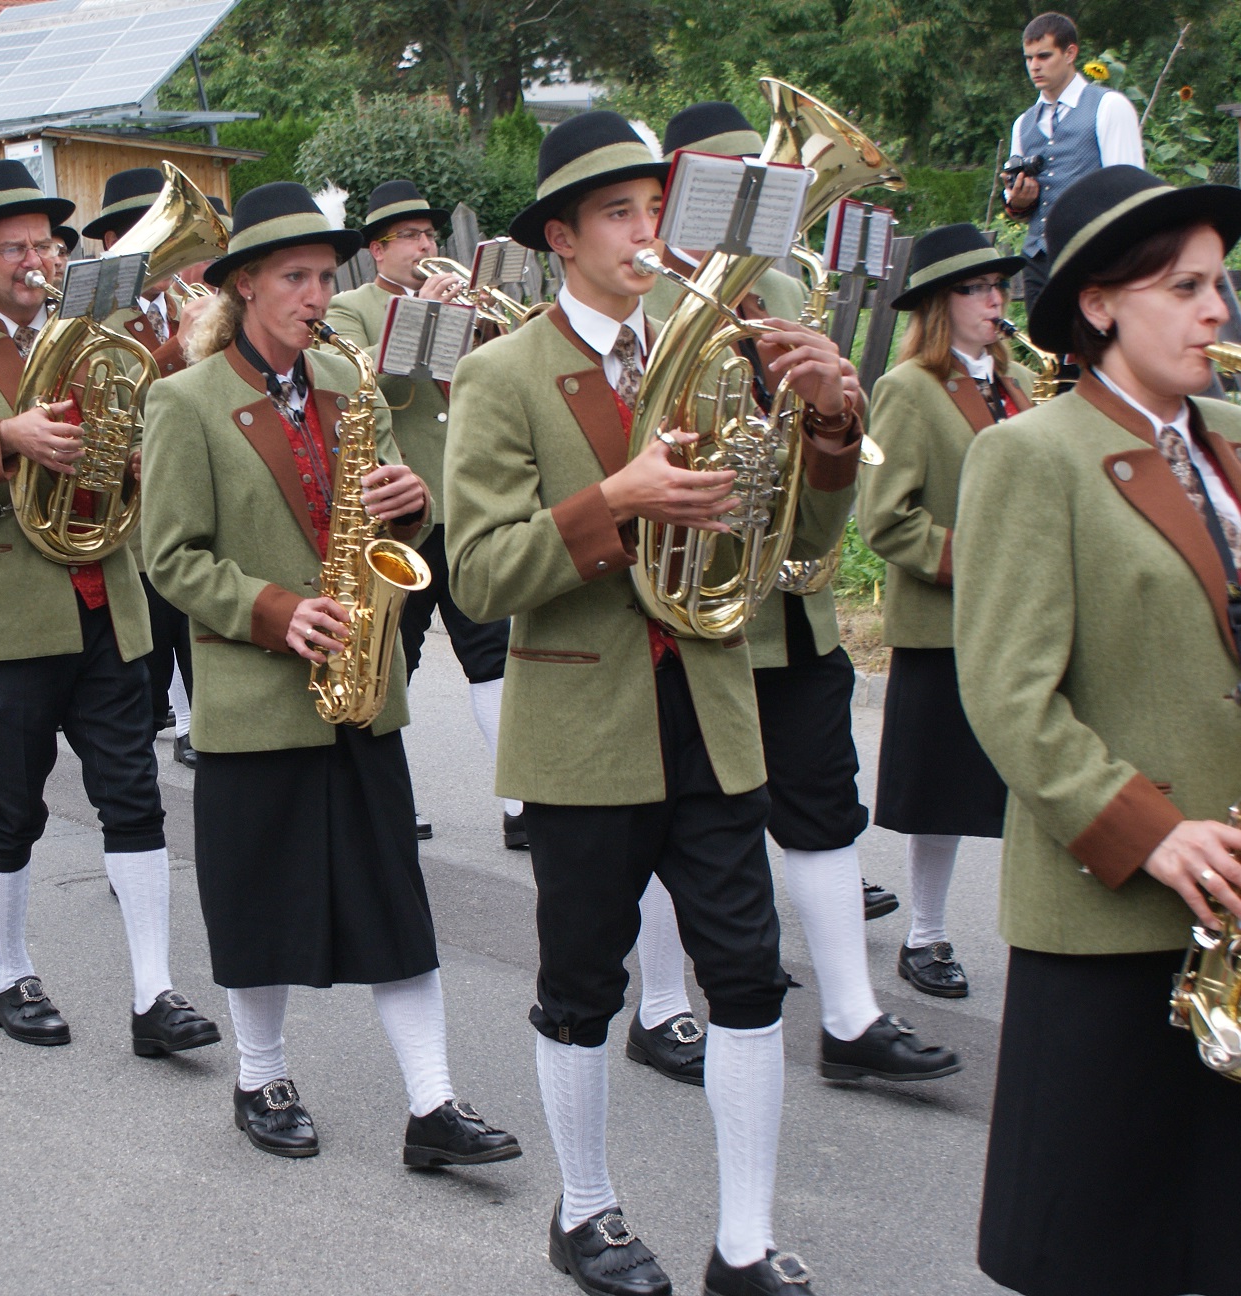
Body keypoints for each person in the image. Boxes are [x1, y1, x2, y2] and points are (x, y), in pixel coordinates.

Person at [446, 110, 859, 1295]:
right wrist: (614, 504)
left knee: (748, 977)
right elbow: (477, 574)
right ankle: (583, 1212)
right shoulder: (502, 373)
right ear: (562, 238)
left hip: (713, 710)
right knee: (583, 982)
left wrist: (831, 426)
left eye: (651, 211)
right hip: (582, 725)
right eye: (617, 214)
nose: (644, 234)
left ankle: (743, 1244)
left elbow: (796, 538)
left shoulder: (723, 348)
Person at [142, 180, 520, 1168]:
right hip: (256, 693)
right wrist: (273, 611)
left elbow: (398, 524)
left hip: (362, 687)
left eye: (323, 277)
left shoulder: (351, 383)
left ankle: (432, 1105)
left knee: (394, 895)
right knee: (256, 897)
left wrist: (411, 504)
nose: (317, 296)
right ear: (245, 286)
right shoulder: (183, 401)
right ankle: (258, 1077)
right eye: (295, 279)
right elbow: (170, 559)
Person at [626, 102, 957, 1091]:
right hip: (686, 600)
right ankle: (660, 1006)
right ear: (679, 192)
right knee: (666, 814)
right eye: (733, 186)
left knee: (822, 806)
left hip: (791, 600)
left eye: (769, 187)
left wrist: (832, 414)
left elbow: (820, 470)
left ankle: (851, 1021)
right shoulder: (639, 293)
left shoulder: (781, 288)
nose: (757, 206)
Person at [957, 164, 1241, 1296]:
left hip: (1232, 907)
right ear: (1099, 303)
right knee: (1103, 1245)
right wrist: (1151, 832)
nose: (1216, 310)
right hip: (1114, 912)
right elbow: (1009, 695)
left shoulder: (1233, 437)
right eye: (1185, 288)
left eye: (1219, 284)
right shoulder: (1031, 453)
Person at [0, 159, 218, 1055]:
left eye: (46, 244)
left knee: (134, 800)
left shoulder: (99, 335)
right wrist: (6, 437)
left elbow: (146, 437)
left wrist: (141, 456)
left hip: (107, 600)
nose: (37, 261)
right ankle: (10, 976)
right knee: (11, 811)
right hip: (2, 617)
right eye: (15, 248)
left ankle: (154, 993)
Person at [858, 223, 1035, 1000]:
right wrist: (985, 560)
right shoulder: (908, 389)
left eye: (998, 286)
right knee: (942, 792)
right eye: (975, 288)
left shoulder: (1014, 385)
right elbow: (886, 520)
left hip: (1020, 619)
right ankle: (925, 935)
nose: (995, 300)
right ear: (938, 304)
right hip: (948, 623)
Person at [324, 179, 526, 849]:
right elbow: (355, 384)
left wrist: (484, 329)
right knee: (393, 660)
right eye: (410, 236)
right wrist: (420, 317)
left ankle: (522, 805)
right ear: (378, 250)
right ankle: (390, 800)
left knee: (492, 653)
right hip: (400, 512)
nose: (425, 245)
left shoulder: (462, 305)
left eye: (430, 235)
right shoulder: (350, 307)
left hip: (463, 505)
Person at [87, 167, 200, 768]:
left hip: (193, 489)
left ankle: (193, 724)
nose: (165, 251)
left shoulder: (184, 306)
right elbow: (115, 399)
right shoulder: (93, 315)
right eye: (147, 234)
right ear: (112, 244)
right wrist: (179, 346)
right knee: (148, 641)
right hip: (130, 506)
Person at [1002, 11, 1144, 309]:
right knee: (1044, 340)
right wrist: (1019, 201)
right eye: (1028, 58)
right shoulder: (1022, 124)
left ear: (1070, 53)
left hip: (1093, 258)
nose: (1034, 66)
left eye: (1044, 56)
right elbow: (1020, 210)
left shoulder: (1109, 106)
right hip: (1038, 261)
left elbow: (1129, 194)